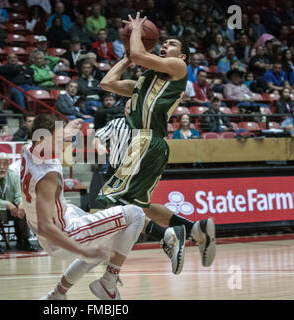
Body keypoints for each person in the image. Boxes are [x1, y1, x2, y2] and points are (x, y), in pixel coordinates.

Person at [98, 13, 216, 275]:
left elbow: (141, 56)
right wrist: (127, 58)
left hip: (146, 139)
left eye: (171, 44)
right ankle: (195, 229)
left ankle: (167, 237)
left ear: (182, 55)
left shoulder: (179, 68)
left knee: (114, 200)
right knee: (141, 206)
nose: (165, 46)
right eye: (163, 43)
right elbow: (106, 82)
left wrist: (137, 31)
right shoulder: (143, 82)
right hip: (147, 143)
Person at [21, 114, 145, 300]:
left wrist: (65, 129)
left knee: (103, 247)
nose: (65, 144)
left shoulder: (28, 150)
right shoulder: (47, 175)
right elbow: (46, 227)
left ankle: (57, 295)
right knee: (136, 214)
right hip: (63, 233)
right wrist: (82, 250)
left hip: (61, 218)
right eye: (60, 140)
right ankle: (108, 282)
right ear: (41, 139)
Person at [0, 152, 38, 253]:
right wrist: (7, 204)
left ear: (8, 165)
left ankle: (24, 241)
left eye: (5, 164)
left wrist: (20, 203)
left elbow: (19, 195)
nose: (2, 167)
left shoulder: (14, 176)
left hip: (11, 210)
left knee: (23, 208)